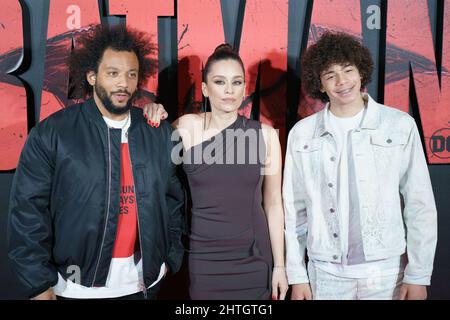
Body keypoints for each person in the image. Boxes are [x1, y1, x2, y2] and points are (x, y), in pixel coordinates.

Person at [7, 24, 185, 300]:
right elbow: (28, 214)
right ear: (92, 76)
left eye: (131, 74)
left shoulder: (158, 131)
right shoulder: (53, 134)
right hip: (76, 289)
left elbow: (174, 200)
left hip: (145, 285)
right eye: (113, 73)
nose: (123, 83)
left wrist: (169, 257)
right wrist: (39, 284)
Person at [283, 32, 438, 300]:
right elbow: (294, 212)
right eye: (330, 74)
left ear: (361, 71)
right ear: (319, 83)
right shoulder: (302, 134)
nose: (342, 81)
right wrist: (297, 276)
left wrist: (418, 275)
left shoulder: (399, 125)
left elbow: (419, 203)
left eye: (348, 70)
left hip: (387, 274)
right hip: (325, 276)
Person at [143, 44, 288, 300]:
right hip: (203, 258)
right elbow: (147, 159)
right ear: (205, 88)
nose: (229, 90)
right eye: (220, 82)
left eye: (236, 82)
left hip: (254, 258)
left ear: (245, 88)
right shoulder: (186, 128)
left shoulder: (264, 136)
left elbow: (274, 204)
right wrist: (150, 112)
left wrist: (280, 266)